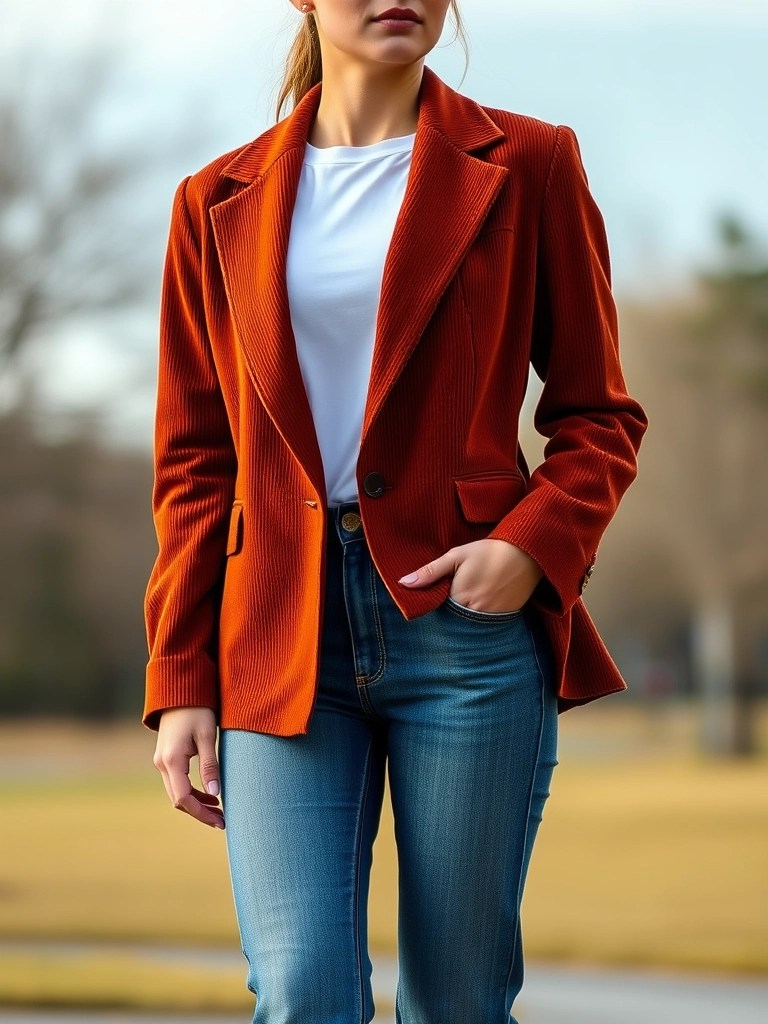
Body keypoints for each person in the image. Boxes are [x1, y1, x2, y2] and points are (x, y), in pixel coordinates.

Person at [144, 2, 648, 1022]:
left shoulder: (531, 164)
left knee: (458, 1001)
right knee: (301, 991)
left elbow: (600, 415)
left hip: (465, 630)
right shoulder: (213, 198)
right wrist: (179, 673)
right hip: (276, 630)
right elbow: (197, 464)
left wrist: (529, 545)